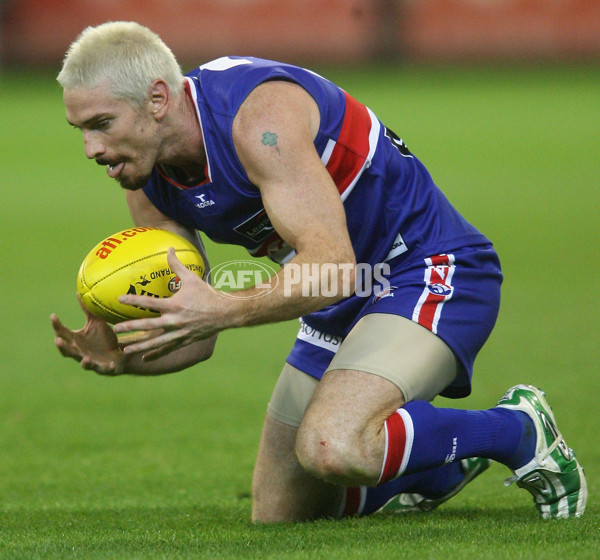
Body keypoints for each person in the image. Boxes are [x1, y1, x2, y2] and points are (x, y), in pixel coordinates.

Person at [51, 21, 587, 522]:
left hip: (426, 268)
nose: (91, 149)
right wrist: (125, 355)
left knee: (333, 447)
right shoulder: (146, 180)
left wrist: (226, 308)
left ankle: (515, 427)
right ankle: (434, 462)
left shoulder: (258, 117)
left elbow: (330, 265)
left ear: (158, 99)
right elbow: (196, 335)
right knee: (280, 511)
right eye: (80, 129)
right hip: (340, 300)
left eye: (102, 125)